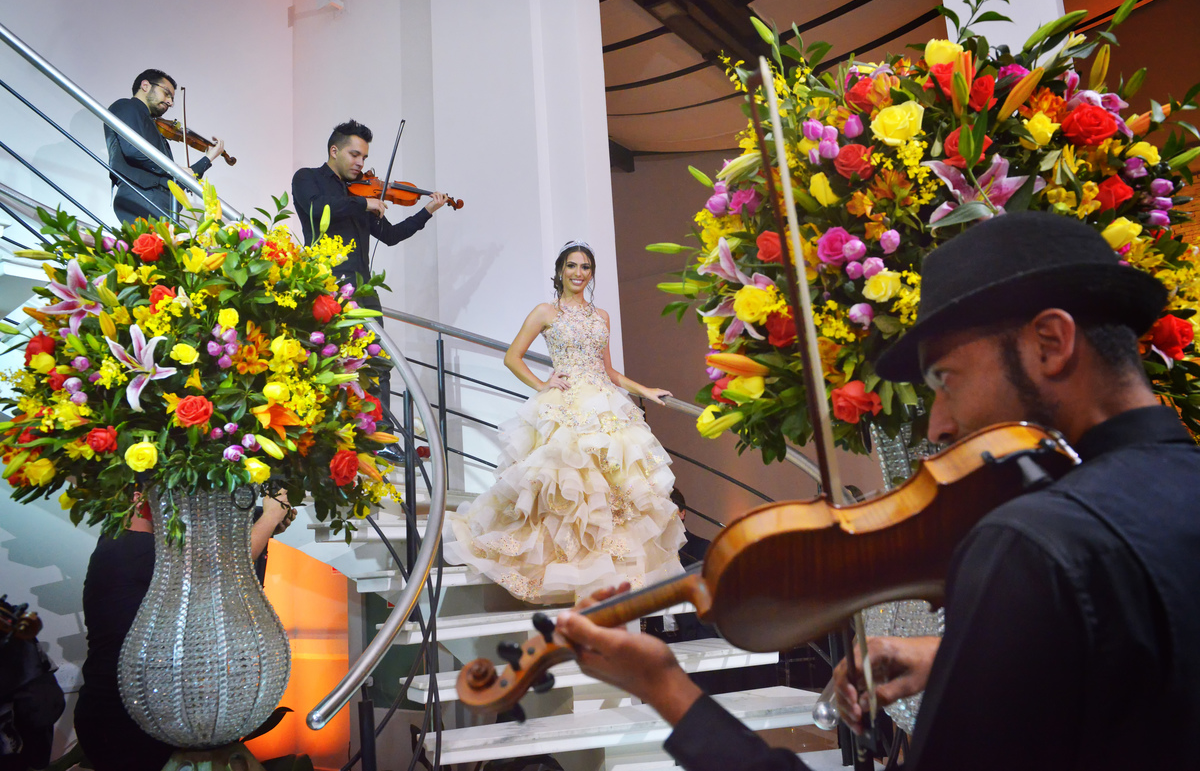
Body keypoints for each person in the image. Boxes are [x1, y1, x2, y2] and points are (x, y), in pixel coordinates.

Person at [554, 211, 1200, 770]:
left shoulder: (1033, 540)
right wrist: (960, 656)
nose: (940, 423)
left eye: (946, 378)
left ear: (1051, 343)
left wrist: (667, 688)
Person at [443, 241, 686, 604]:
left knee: (615, 496)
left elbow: (608, 371)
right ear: (559, 271)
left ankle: (602, 579)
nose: (578, 273)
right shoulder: (545, 311)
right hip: (567, 406)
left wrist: (644, 390)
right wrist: (543, 384)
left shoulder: (601, 315)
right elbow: (513, 357)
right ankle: (562, 573)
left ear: (591, 273)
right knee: (567, 492)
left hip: (604, 407)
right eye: (571, 266)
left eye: (585, 267)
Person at [73, 496, 295, 771]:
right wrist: (269, 517)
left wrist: (262, 520)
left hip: (115, 713)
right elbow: (226, 573)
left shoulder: (116, 542)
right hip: (132, 721)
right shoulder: (137, 549)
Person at [291, 119, 449, 310]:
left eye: (364, 158)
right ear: (334, 151)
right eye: (354, 155)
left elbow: (390, 236)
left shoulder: (360, 192)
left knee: (377, 341)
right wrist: (364, 203)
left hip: (365, 290)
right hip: (326, 287)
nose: (360, 163)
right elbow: (315, 206)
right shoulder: (307, 177)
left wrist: (428, 210)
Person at [106, 69, 225, 224]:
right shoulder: (126, 106)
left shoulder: (153, 127)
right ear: (145, 85)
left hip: (160, 201)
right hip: (142, 196)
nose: (170, 102)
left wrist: (208, 158)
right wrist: (174, 168)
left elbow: (177, 179)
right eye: (166, 93)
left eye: (172, 98)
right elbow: (133, 150)